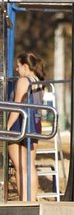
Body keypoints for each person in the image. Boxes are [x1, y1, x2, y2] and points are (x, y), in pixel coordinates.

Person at [7, 52, 46, 201]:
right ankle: (31, 199)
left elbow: (16, 106)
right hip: (34, 123)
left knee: (20, 166)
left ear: (25, 66)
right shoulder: (39, 82)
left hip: (20, 123)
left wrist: (7, 127)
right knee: (29, 165)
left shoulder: (23, 81)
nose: (16, 70)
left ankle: (24, 200)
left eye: (18, 66)